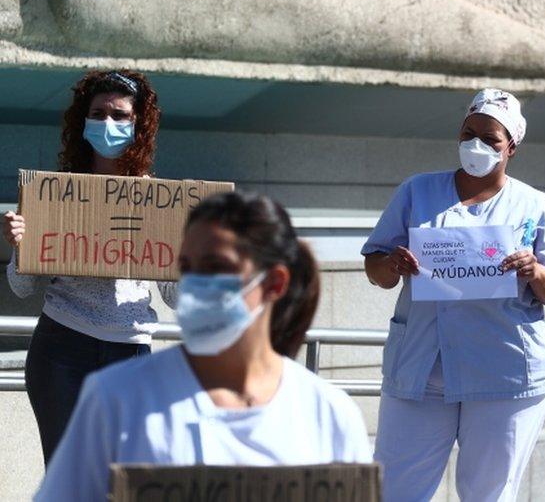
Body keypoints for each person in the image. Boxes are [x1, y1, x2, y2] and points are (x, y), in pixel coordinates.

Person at [34, 192, 372, 501]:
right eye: (187, 268)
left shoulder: (329, 415)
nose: (195, 283)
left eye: (215, 267)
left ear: (274, 283)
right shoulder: (116, 398)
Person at [362, 88, 545, 501]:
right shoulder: (417, 192)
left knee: (489, 495)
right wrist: (392, 265)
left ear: (511, 147)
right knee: (396, 491)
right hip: (421, 372)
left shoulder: (536, 206)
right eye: (468, 133)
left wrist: (535, 271)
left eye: (490, 138)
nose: (475, 145)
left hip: (506, 376)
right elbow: (376, 269)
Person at [2, 69, 177, 464]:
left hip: (129, 352)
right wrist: (20, 245)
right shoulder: (56, 193)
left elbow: (176, 297)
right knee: (67, 474)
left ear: (139, 125)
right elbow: (21, 286)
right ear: (83, 121)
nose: (108, 124)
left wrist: (194, 260)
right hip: (61, 345)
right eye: (99, 113)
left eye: (120, 115)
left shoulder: (158, 200)